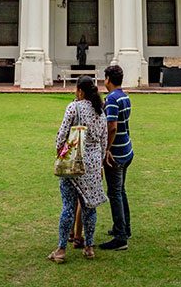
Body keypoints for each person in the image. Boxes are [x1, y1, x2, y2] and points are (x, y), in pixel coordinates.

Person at [48, 75, 107, 263]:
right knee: (90, 207)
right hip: (93, 163)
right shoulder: (100, 111)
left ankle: (61, 249)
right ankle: (89, 247)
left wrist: (60, 153)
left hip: (74, 162)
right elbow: (103, 141)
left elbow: (62, 134)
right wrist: (100, 164)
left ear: (80, 91)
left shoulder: (74, 107)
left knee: (68, 207)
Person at [99, 64, 133, 252]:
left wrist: (106, 150)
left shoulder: (112, 99)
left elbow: (112, 127)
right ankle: (124, 228)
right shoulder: (124, 96)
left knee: (115, 193)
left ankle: (120, 237)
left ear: (108, 80)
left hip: (117, 153)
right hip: (127, 150)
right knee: (121, 191)